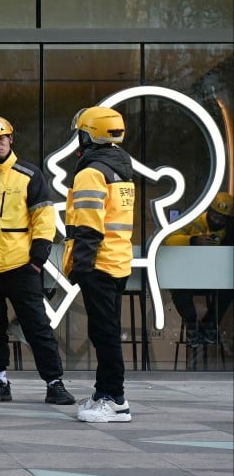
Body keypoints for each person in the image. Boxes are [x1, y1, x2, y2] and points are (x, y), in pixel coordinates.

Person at [0, 116, 75, 406]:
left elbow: (44, 217)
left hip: (21, 266)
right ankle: (0, 381)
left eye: (1, 138)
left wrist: (38, 257)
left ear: (11, 139)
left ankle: (54, 383)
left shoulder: (29, 175)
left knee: (36, 326)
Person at [63, 106, 135, 424]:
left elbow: (89, 225)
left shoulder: (92, 172)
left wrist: (81, 266)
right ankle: (103, 390)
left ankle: (114, 399)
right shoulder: (119, 167)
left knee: (104, 333)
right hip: (116, 261)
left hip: (99, 263)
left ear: (89, 134)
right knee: (104, 330)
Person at [165, 191, 233, 346]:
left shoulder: (230, 231)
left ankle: (210, 325)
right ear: (209, 211)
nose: (216, 220)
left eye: (221, 219)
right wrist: (193, 240)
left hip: (215, 279)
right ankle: (192, 325)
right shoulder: (194, 220)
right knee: (178, 288)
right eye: (215, 216)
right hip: (190, 277)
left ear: (227, 220)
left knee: (229, 289)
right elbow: (169, 240)